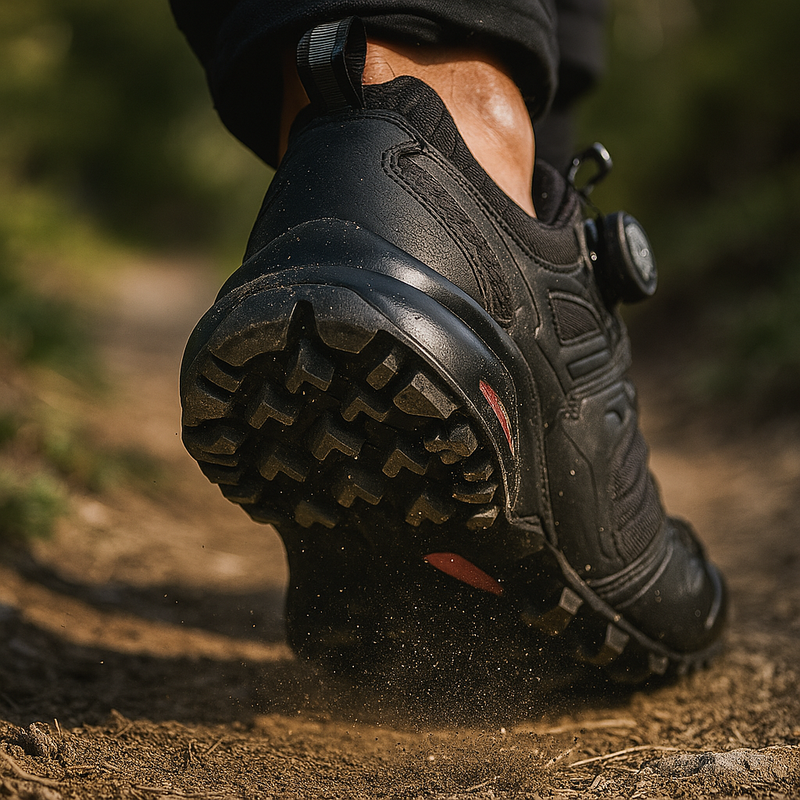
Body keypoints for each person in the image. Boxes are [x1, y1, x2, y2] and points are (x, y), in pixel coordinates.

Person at [169, 1, 727, 684]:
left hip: (339, 162)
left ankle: (358, 178)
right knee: (444, 54)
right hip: (446, 151)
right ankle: (462, 128)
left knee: (554, 50)